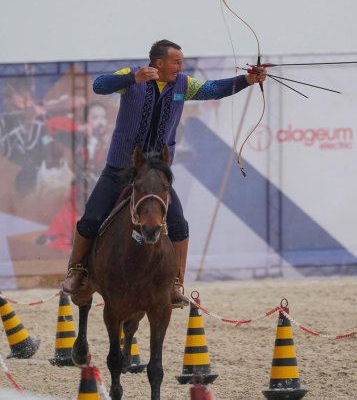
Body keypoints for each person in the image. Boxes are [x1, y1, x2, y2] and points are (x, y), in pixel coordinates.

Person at [61, 39, 267, 307]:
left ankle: (175, 284)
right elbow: (99, 85)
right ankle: (78, 270)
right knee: (91, 219)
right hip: (121, 168)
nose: (181, 66)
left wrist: (247, 80)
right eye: (176, 62)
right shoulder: (131, 75)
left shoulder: (183, 85)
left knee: (179, 225)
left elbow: (213, 89)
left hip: (156, 175)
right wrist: (132, 79)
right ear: (159, 63)